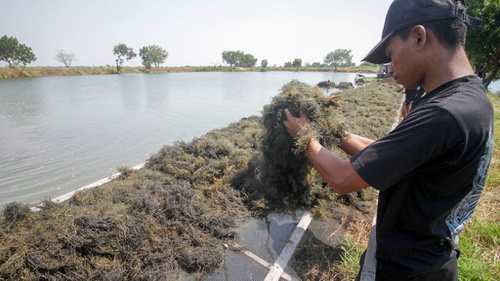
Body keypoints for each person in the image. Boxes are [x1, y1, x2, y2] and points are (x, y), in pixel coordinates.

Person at [283, 0, 494, 280]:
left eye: (391, 53)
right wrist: (337, 132)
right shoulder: (469, 99)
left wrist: (304, 136)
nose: (391, 68)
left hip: (406, 270)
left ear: (419, 37)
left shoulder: (443, 113)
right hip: (432, 258)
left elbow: (342, 178)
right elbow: (388, 154)